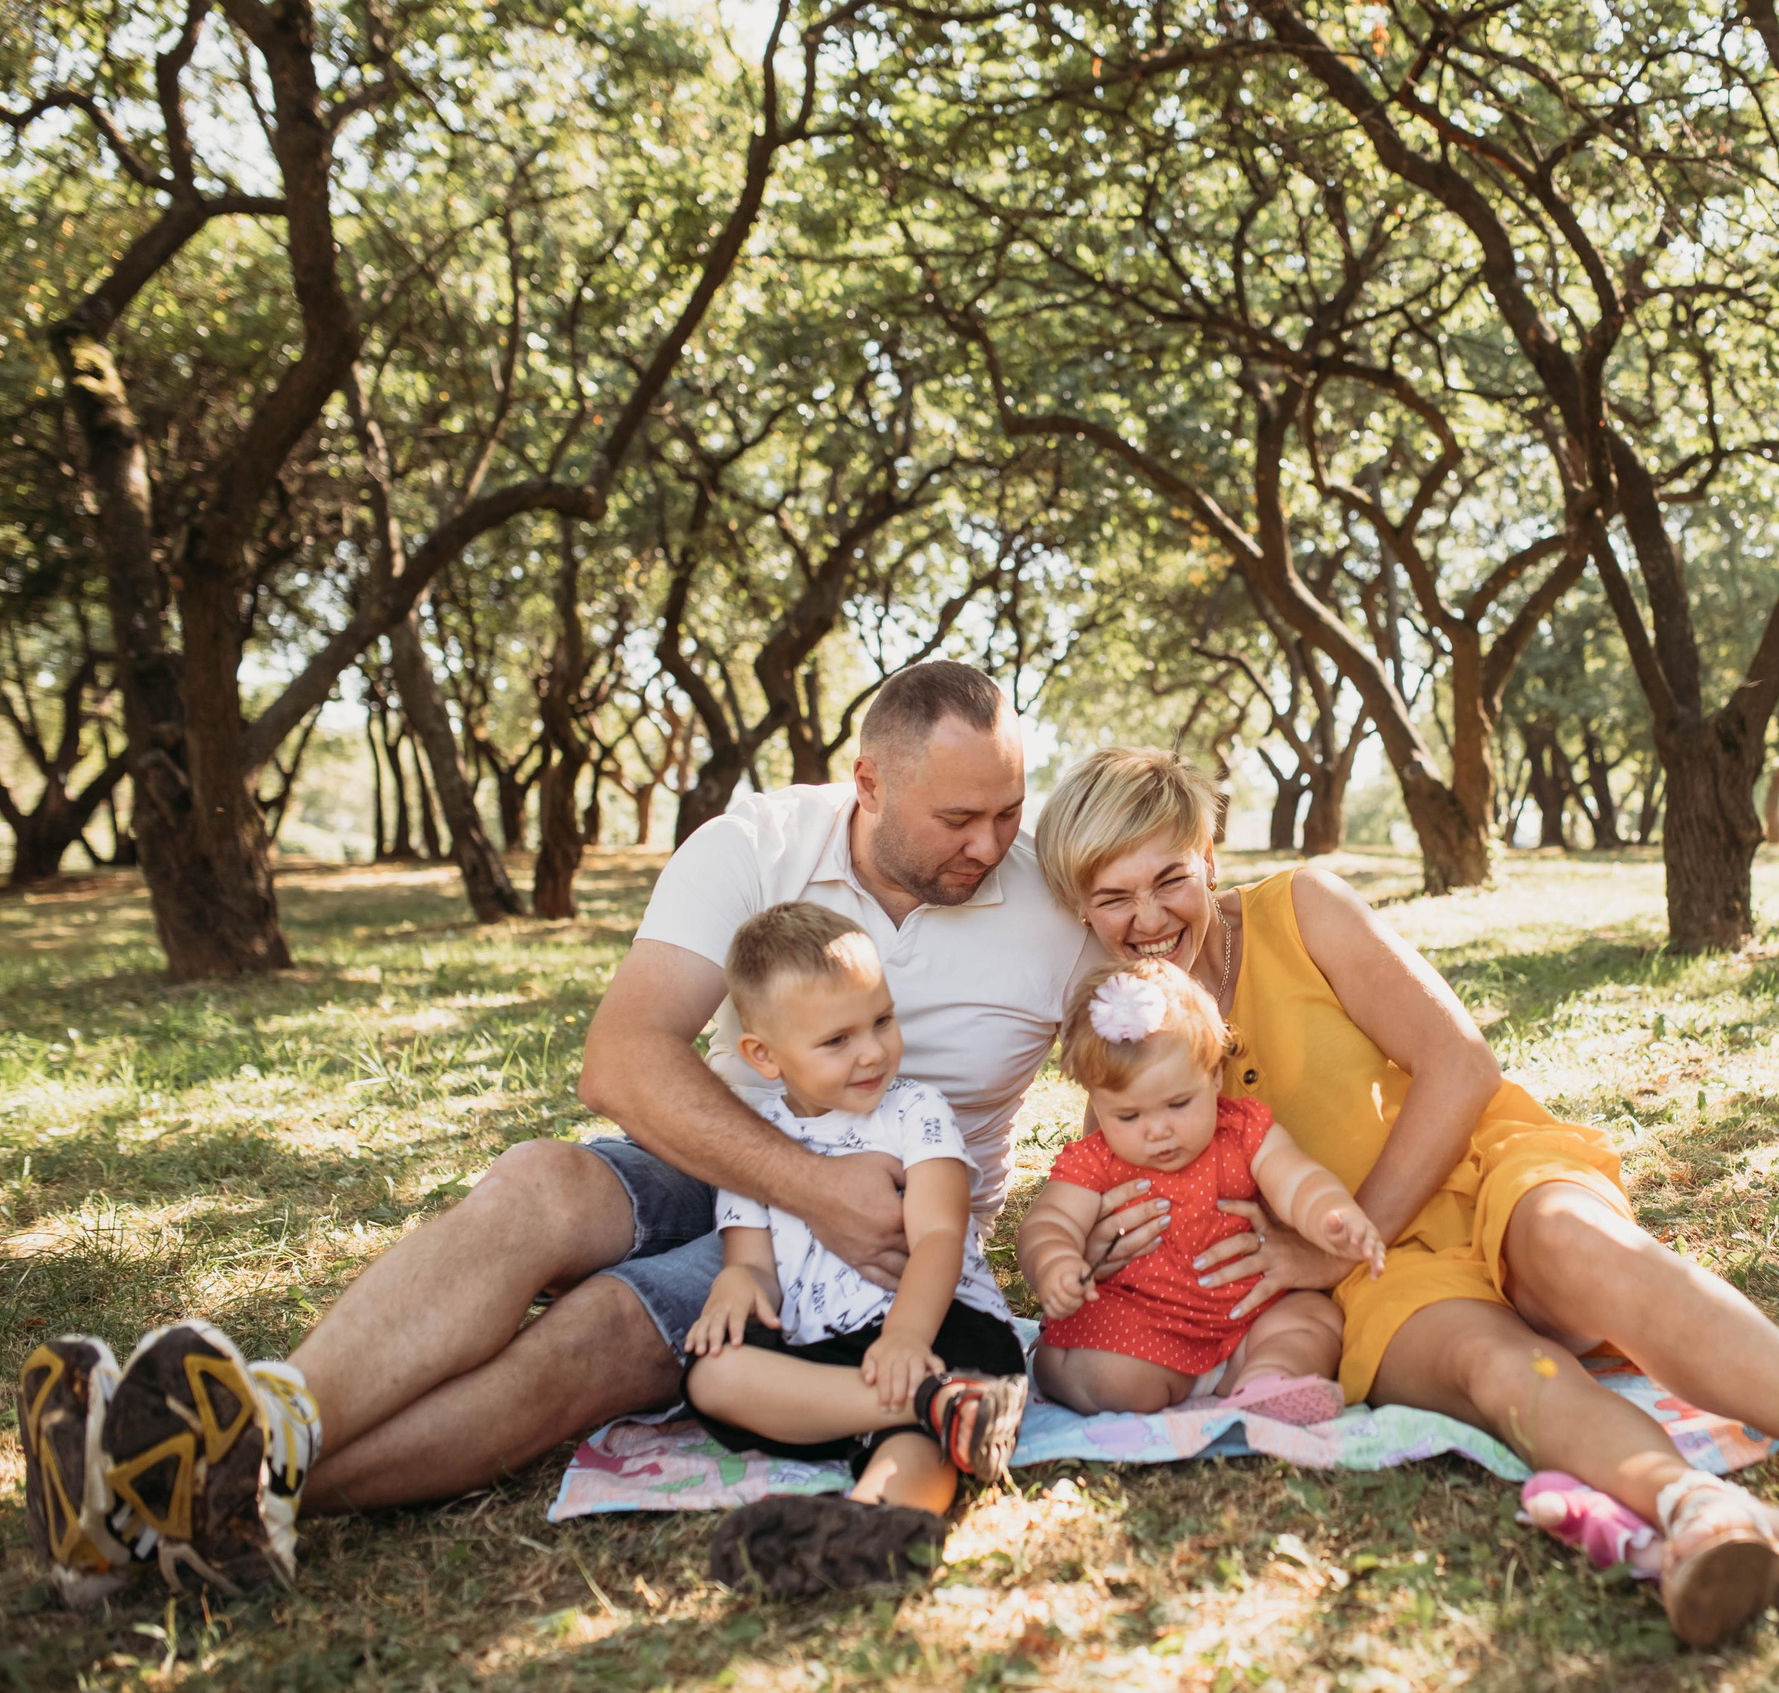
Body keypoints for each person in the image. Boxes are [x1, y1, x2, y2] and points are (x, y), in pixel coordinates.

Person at [17, 662, 1096, 1601]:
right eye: (958, 820)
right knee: (540, 1183)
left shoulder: (1046, 902)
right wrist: (809, 1188)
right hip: (728, 1164)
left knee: (595, 1337)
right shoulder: (758, 842)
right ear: (867, 781)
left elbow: (1168, 1017)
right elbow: (620, 1059)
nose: (990, 843)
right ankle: (274, 1427)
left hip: (890, 1241)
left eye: (1006, 812)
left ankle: (163, 1494)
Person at [1031, 748, 1779, 1647]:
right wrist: (1111, 1249)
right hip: (1366, 1277)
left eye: (1170, 877)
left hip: (1467, 1165)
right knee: (1491, 1370)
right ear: (1079, 906)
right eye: (1112, 898)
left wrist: (1340, 1236)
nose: (1148, 918)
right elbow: (1117, 1181)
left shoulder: (1302, 909)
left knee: (1574, 1249)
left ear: (1209, 855)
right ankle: (1703, 1514)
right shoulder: (1117, 1026)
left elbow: (1459, 1063)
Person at [680, 903, 1028, 1523]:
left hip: (942, 1326)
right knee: (710, 1379)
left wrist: (904, 1339)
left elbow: (941, 1236)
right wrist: (737, 1284)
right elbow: (753, 1264)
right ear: (764, 1055)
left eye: (882, 1021)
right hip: (839, 1366)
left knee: (910, 1440)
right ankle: (932, 1426)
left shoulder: (913, 1110)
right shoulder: (754, 1139)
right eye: (838, 1040)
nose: (871, 1053)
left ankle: (895, 1488)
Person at [1017, 959, 1385, 1424]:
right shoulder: (1095, 1160)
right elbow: (1051, 1222)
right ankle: (1057, 1366)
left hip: (1248, 1314)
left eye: (1178, 1104)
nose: (1157, 1131)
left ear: (1212, 1074)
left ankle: (1267, 1383)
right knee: (1115, 1379)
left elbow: (1297, 1180)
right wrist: (1055, 1263)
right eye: (1128, 1117)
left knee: (1314, 1321)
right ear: (1096, 1100)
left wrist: (1330, 1214)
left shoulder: (1244, 1131)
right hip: (1143, 1327)